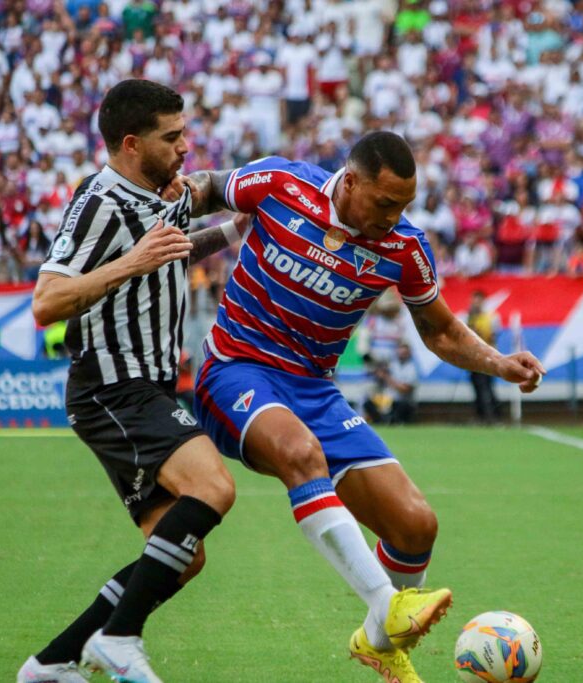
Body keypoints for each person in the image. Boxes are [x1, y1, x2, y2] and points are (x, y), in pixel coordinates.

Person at [184, 132, 545, 682]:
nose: (394, 216)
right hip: (236, 367)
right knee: (300, 452)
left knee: (415, 526)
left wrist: (499, 363)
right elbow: (209, 187)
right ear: (350, 182)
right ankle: (386, 601)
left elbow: (441, 330)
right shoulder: (283, 182)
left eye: (404, 205)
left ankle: (377, 643)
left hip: (314, 389)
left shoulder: (404, 247)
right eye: (385, 202)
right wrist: (168, 197)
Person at [19, 80, 242, 683]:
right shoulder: (100, 202)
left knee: (180, 557)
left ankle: (50, 664)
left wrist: (232, 231)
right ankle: (119, 638)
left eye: (184, 133)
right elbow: (46, 301)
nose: (185, 147)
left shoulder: (157, 191)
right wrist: (131, 261)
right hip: (113, 388)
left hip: (146, 389)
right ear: (131, 144)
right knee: (213, 486)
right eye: (172, 137)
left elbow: (168, 252)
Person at [467, 290, 502, 424]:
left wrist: (477, 332)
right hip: (473, 357)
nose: (475, 304)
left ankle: (493, 415)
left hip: (488, 357)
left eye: (477, 301)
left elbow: (492, 336)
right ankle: (480, 415)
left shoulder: (491, 317)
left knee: (487, 386)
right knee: (476, 386)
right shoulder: (469, 317)